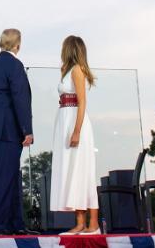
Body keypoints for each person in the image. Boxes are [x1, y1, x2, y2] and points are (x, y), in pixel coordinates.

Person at [0, 28, 33, 235]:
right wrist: (27, 130)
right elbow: (20, 99)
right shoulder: (15, 65)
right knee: (6, 177)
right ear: (17, 44)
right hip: (11, 129)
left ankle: (16, 224)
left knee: (11, 176)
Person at [49, 35, 100, 234]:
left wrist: (77, 130)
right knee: (72, 171)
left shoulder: (77, 70)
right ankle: (80, 223)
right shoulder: (66, 70)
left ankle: (93, 223)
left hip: (75, 123)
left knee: (83, 171)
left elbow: (82, 102)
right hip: (64, 120)